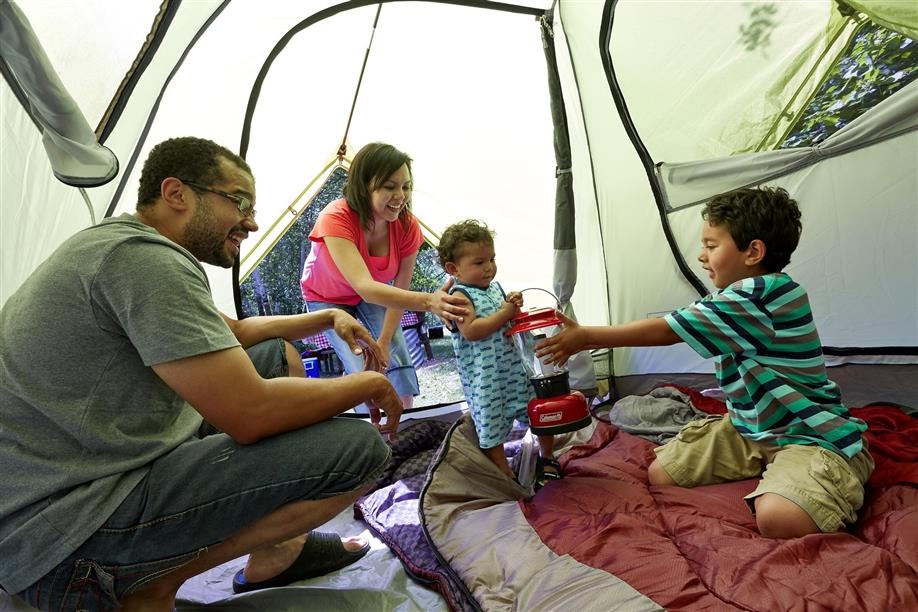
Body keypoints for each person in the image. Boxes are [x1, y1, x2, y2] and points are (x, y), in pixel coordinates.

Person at [0, 136, 406, 611]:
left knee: (274, 356)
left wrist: (327, 316)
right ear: (176, 194)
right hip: (63, 537)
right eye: (239, 203)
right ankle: (148, 582)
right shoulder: (144, 260)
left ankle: (278, 553)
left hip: (60, 492)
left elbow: (234, 331)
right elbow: (251, 414)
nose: (251, 222)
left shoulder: (120, 245)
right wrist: (369, 383)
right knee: (360, 451)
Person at [536, 186, 874, 538]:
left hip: (806, 434)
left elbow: (668, 330)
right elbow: (684, 319)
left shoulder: (760, 296)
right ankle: (768, 464)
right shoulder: (734, 297)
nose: (701, 256)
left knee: (779, 519)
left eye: (711, 246)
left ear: (753, 252)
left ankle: (833, 470)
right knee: (664, 472)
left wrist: (586, 337)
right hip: (749, 428)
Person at [300, 142, 469, 413]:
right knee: (360, 361)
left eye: (406, 186)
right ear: (364, 186)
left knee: (395, 348)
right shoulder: (336, 217)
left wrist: (385, 341)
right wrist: (430, 301)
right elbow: (365, 287)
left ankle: (405, 418)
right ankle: (371, 426)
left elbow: (399, 292)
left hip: (371, 293)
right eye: (390, 186)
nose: (400, 195)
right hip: (326, 296)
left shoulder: (407, 226)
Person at [437, 219, 560, 489]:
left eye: (492, 259)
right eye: (479, 262)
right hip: (486, 381)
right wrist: (505, 312)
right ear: (454, 269)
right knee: (491, 429)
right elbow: (472, 331)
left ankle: (548, 457)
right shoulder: (459, 296)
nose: (489, 267)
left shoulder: (495, 288)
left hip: (515, 372)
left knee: (538, 412)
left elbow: (510, 322)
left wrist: (513, 307)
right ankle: (506, 476)